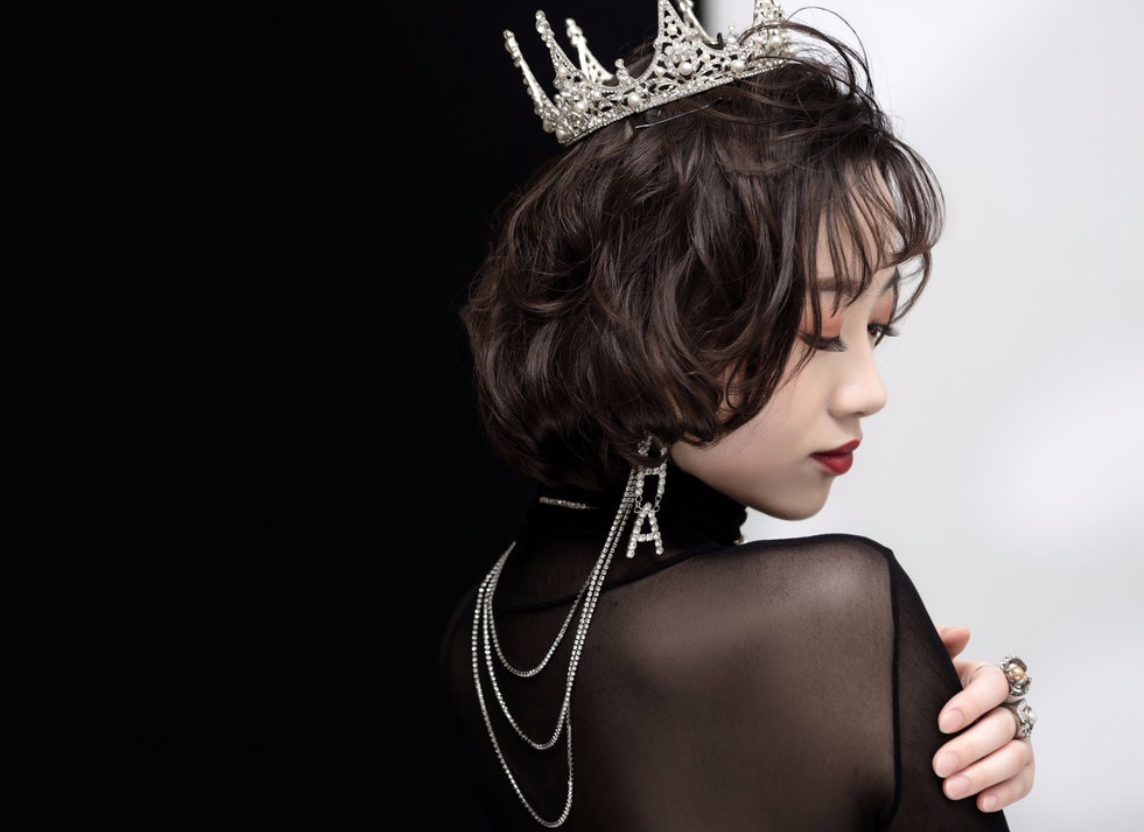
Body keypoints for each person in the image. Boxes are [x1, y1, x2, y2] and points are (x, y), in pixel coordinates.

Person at [438, 2, 1036, 829]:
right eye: (820, 332)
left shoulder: (481, 634)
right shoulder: (839, 607)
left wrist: (893, 716)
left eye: (876, 330)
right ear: (656, 324)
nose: (869, 390)